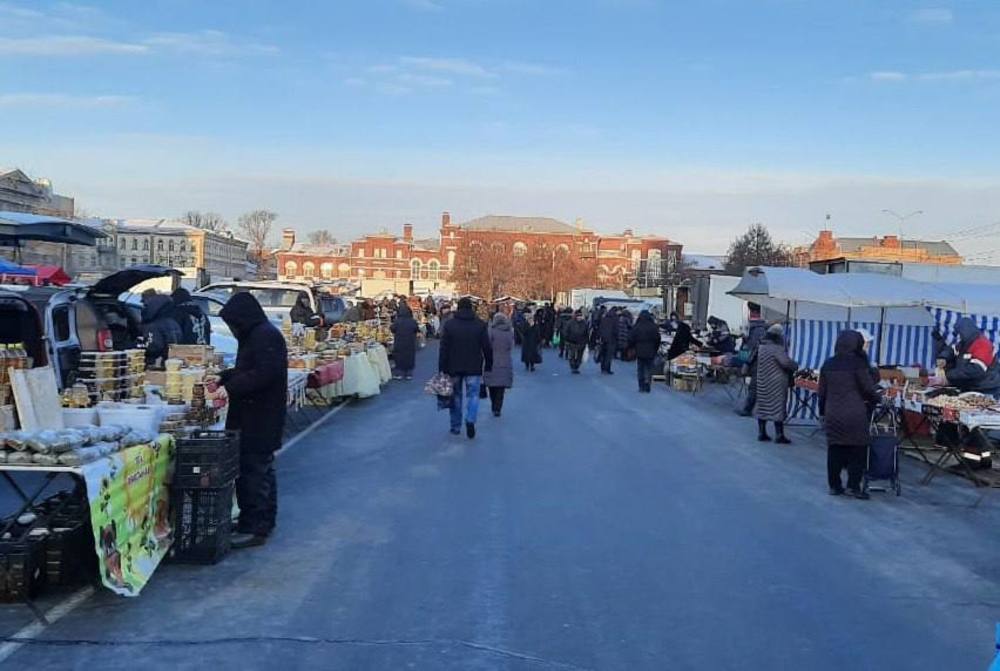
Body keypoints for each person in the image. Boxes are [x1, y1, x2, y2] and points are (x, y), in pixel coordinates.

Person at [218, 292, 288, 548]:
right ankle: (258, 520)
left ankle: (255, 526)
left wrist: (230, 388)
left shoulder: (264, 336)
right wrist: (224, 377)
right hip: (257, 416)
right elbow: (250, 369)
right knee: (260, 471)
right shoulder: (257, 334)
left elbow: (262, 374)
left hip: (259, 418)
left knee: (253, 473)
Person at [818, 330, 881, 499]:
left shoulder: (828, 364)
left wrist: (822, 412)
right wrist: (877, 398)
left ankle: (834, 485)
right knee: (858, 449)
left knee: (835, 448)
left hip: (833, 412)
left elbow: (822, 392)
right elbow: (868, 388)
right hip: (855, 413)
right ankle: (854, 486)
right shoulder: (858, 364)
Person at [439, 297, 493, 438]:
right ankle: (470, 419)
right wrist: (488, 364)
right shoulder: (480, 325)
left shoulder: (450, 325)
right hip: (474, 366)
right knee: (473, 395)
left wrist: (442, 367)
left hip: (453, 366)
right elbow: (486, 347)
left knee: (456, 396)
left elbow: (444, 348)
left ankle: (455, 426)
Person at [932, 317, 1000, 395]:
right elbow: (952, 350)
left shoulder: (982, 344)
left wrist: (948, 375)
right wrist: (943, 357)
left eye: (960, 334)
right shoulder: (964, 343)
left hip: (986, 388)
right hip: (971, 387)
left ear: (965, 332)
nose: (959, 336)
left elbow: (975, 370)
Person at [754, 324, 797, 443]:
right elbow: (785, 363)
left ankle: (762, 433)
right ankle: (779, 435)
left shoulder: (762, 347)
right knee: (777, 407)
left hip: (763, 380)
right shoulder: (777, 349)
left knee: (763, 406)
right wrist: (795, 365)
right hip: (776, 382)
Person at [737, 303, 768, 416]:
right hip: (759, 360)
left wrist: (745, 362)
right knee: (754, 386)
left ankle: (748, 409)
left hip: (758, 361)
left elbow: (752, 348)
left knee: (754, 386)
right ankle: (749, 408)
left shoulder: (756, 329)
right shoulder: (761, 328)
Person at [483, 312, 514, 417]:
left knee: (492, 385)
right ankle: (498, 408)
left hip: (492, 361)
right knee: (501, 387)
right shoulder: (509, 332)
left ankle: (493, 405)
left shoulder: (491, 331)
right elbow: (511, 346)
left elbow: (487, 345)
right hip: (505, 360)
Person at [141, 294, 182, 367]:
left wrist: (139, 345)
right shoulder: (173, 323)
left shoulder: (153, 326)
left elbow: (151, 346)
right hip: (173, 363)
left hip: (156, 364)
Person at [629, 310, 662, 392]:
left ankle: (641, 385)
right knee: (649, 368)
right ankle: (647, 383)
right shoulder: (653, 326)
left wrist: (633, 347)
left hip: (639, 350)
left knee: (640, 369)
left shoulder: (637, 326)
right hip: (651, 350)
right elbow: (658, 338)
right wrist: (655, 348)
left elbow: (631, 338)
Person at [390, 303, 419, 380]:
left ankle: (399, 374)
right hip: (410, 341)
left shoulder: (397, 321)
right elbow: (416, 329)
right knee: (410, 357)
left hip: (399, 341)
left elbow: (392, 329)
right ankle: (409, 374)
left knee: (399, 357)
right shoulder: (412, 321)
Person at [562, 309, 590, 374]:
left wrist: (586, 341)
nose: (579, 317)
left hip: (581, 342)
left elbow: (587, 333)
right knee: (572, 355)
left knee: (579, 356)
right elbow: (565, 331)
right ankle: (573, 367)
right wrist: (567, 339)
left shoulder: (584, 323)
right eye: (578, 316)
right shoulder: (570, 322)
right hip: (572, 342)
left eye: (580, 316)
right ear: (575, 316)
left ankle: (577, 366)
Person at [598, 307, 619, 374]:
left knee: (603, 354)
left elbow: (600, 328)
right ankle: (607, 369)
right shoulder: (615, 319)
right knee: (609, 355)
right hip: (611, 339)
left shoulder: (604, 318)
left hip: (603, 339)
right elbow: (616, 330)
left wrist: (600, 337)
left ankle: (602, 368)